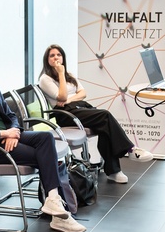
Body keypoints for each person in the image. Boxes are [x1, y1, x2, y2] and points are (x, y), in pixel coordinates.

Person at [0, 41, 86, 232]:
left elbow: (11, 116)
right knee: (46, 156)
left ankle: (54, 202)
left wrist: (13, 131)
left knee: (46, 138)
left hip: (10, 137)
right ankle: (59, 213)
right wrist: (3, 134)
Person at [37, 44, 143, 184]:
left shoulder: (70, 75)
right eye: (52, 55)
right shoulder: (45, 79)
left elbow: (83, 93)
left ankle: (113, 171)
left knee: (105, 126)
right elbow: (61, 98)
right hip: (65, 114)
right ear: (47, 60)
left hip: (78, 107)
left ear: (63, 57)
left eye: (58, 55)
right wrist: (61, 74)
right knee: (105, 115)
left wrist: (69, 97)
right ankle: (130, 149)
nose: (56, 57)